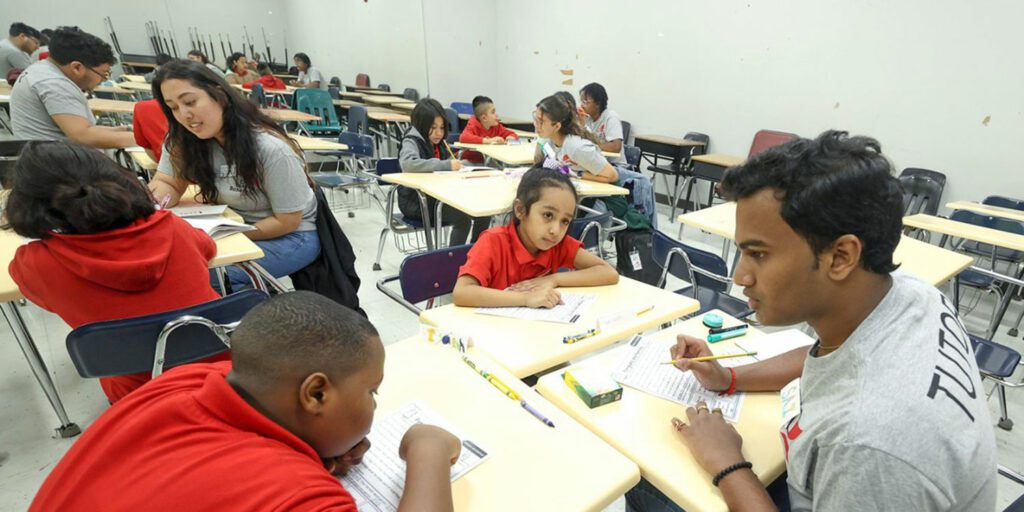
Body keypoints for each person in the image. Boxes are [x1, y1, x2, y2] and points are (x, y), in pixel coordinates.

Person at [626, 131, 997, 511]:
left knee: (645, 481)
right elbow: (828, 358)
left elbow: (861, 442)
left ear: (841, 257)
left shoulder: (868, 443)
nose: (740, 277)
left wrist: (728, 464)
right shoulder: (909, 294)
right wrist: (729, 378)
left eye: (758, 254)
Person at [30, 291, 463, 511]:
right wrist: (428, 448)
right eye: (371, 391)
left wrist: (318, 448)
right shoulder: (296, 495)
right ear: (315, 393)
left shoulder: (184, 380)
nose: (374, 402)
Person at [5, 141, 222, 404]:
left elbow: (47, 302)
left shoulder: (37, 264)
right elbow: (208, 250)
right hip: (222, 366)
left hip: (140, 393)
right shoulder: (174, 227)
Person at [148, 60, 320, 289]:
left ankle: (249, 315)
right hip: (229, 226)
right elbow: (168, 182)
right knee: (168, 267)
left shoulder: (270, 149)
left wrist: (224, 237)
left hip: (291, 236)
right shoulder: (183, 140)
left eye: (190, 102)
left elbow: (287, 221)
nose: (184, 115)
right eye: (173, 107)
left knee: (202, 276)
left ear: (220, 95)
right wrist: (155, 204)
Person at [453, 167, 618, 308]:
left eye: (565, 221)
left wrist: (554, 279)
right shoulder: (493, 242)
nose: (556, 230)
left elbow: (608, 273)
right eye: (548, 215)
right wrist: (525, 299)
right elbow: (462, 292)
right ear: (520, 210)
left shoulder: (557, 244)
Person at [10, 26, 135, 148]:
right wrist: (145, 139)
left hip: (45, 156)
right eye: (103, 74)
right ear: (77, 67)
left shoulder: (42, 70)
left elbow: (85, 128)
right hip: (56, 163)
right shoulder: (54, 84)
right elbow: (84, 137)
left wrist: (124, 130)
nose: (104, 79)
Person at [398, 98, 489, 246]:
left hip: (439, 197)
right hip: (416, 202)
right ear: (421, 124)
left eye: (441, 127)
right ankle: (452, 263)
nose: (438, 133)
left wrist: (465, 167)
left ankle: (475, 253)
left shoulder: (439, 143)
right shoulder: (411, 141)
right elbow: (408, 164)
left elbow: (448, 165)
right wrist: (446, 165)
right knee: (463, 219)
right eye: (433, 127)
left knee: (483, 212)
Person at [532, 95, 618, 184]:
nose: (535, 125)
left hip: (607, 194)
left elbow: (613, 176)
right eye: (535, 118)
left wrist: (577, 173)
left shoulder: (576, 147)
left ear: (557, 126)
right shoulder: (550, 141)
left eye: (541, 122)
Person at [578, 82, 625, 164]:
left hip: (614, 165)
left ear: (598, 103)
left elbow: (616, 147)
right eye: (581, 101)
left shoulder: (610, 117)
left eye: (585, 102)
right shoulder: (586, 118)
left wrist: (589, 148)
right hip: (596, 162)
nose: (581, 106)